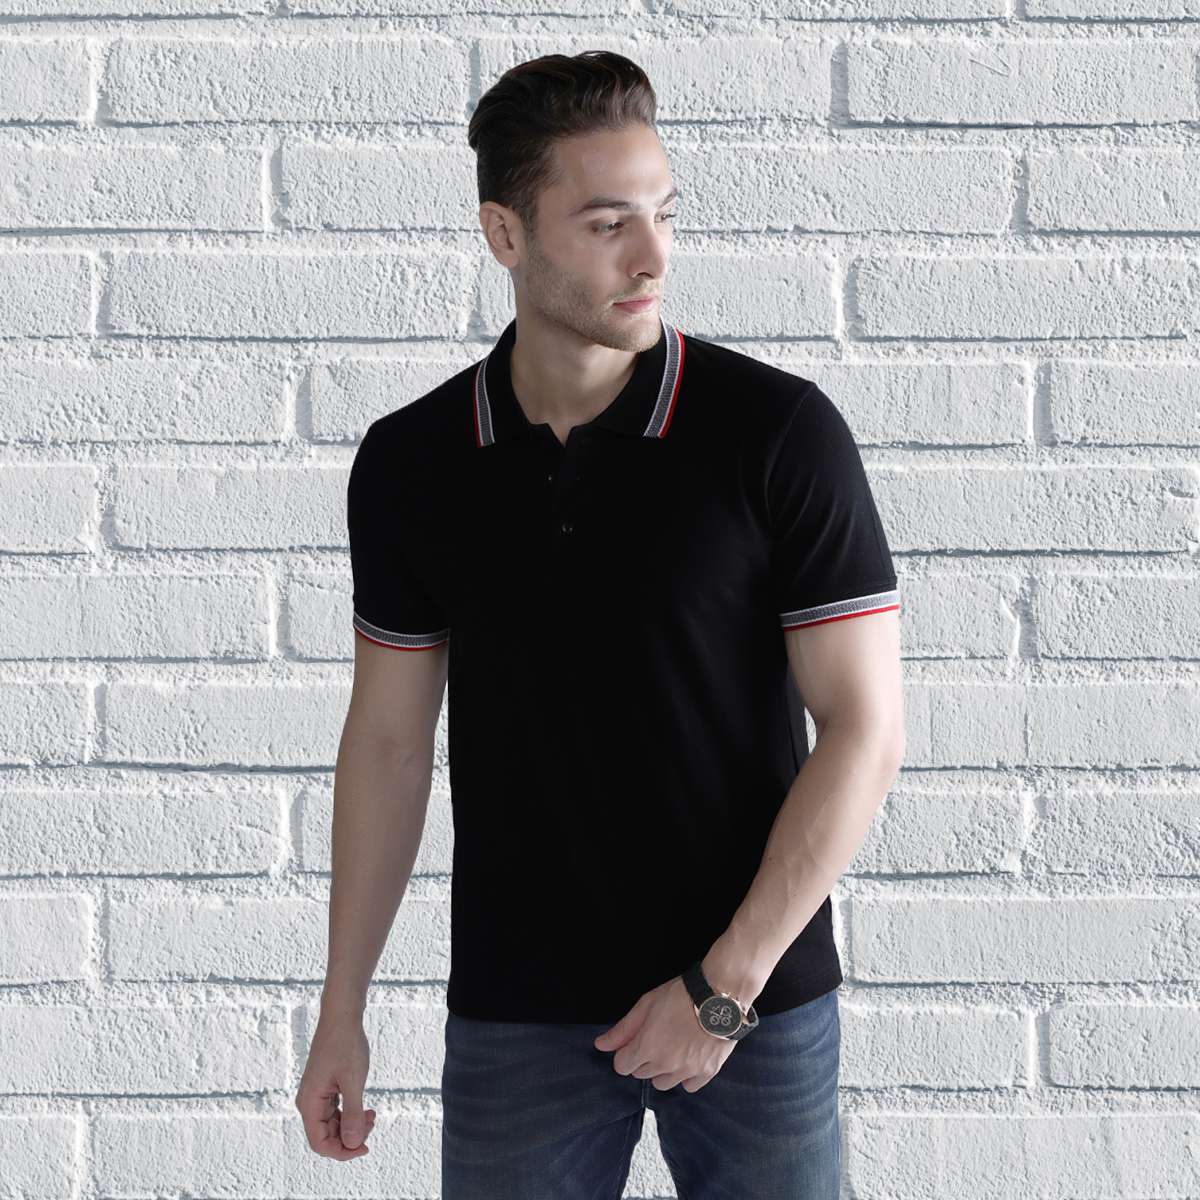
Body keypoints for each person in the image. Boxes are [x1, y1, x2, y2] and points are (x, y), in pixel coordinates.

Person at [296, 49, 904, 1199]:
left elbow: (865, 730)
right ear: (505, 234)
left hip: (754, 1012)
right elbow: (386, 745)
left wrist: (722, 990)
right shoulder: (413, 463)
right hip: (518, 1020)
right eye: (608, 223)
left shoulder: (777, 435)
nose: (653, 255)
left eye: (664, 214)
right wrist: (342, 1011)